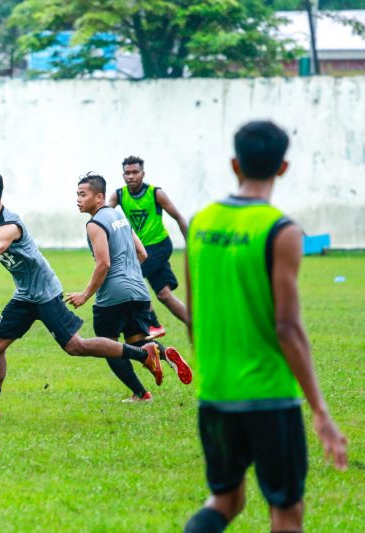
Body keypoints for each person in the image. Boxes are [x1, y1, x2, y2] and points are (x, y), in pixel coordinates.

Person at [183, 121, 348, 533]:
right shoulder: (282, 230)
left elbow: (194, 315)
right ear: (283, 167)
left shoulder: (201, 223)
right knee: (286, 513)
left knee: (225, 499)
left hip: (216, 393)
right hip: (270, 397)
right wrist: (320, 411)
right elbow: (288, 328)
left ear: (235, 164)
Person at [0, 170, 164, 418]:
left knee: (76, 346)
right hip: (24, 295)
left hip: (45, 293)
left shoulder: (10, 225)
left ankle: (142, 353)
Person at [67, 173, 192, 403]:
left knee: (109, 346)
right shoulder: (120, 217)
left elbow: (103, 263)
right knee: (137, 343)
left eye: (83, 195)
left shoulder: (94, 224)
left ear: (100, 197)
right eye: (77, 195)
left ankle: (141, 393)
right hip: (139, 292)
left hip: (113, 295)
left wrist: (85, 295)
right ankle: (164, 354)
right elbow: (143, 254)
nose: (78, 199)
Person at [108, 155, 189, 337]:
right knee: (164, 295)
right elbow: (105, 214)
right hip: (141, 249)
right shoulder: (119, 195)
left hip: (159, 246)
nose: (131, 176)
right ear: (123, 175)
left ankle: (153, 324)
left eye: (135, 172)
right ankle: (196, 326)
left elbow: (178, 217)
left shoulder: (155, 193)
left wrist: (190, 247)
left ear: (143, 174)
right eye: (127, 173)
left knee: (131, 276)